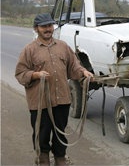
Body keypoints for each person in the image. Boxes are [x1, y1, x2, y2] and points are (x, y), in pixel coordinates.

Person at [15, 13, 94, 166]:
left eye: (50, 26)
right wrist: (36, 74)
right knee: (41, 135)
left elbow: (74, 66)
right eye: (44, 26)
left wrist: (84, 72)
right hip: (40, 103)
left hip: (62, 100)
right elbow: (20, 73)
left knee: (60, 134)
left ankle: (60, 159)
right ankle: (43, 160)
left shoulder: (63, 46)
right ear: (36, 29)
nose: (48, 29)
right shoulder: (29, 50)